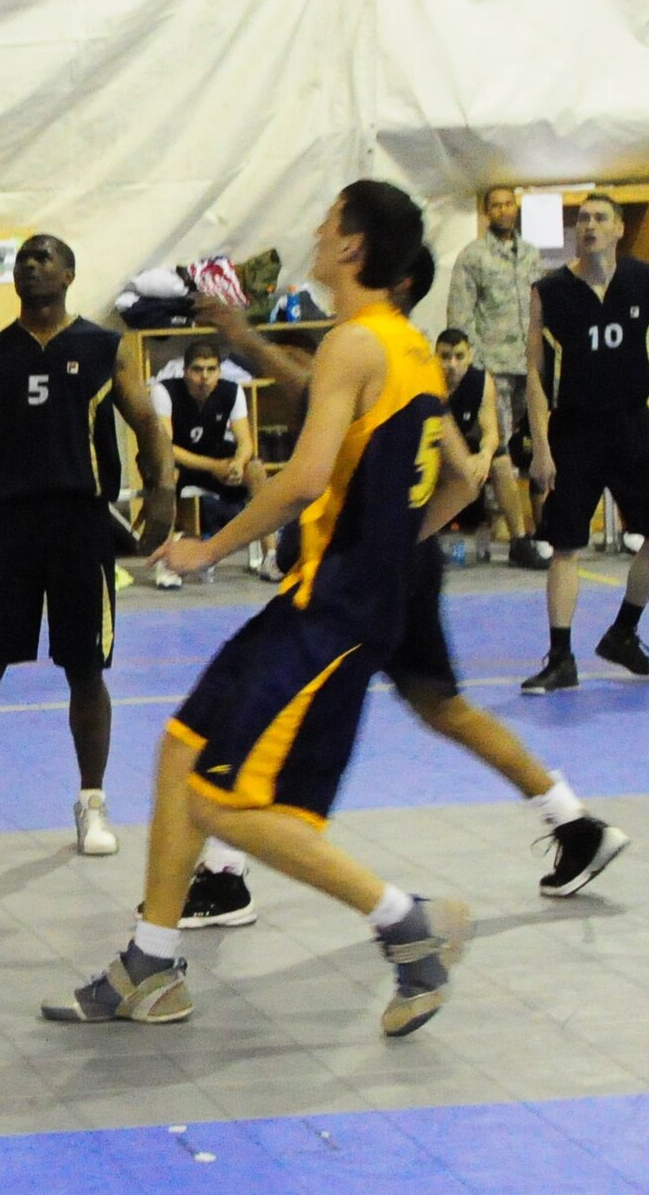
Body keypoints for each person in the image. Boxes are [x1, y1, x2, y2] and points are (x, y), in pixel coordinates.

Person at [43, 182, 484, 1037]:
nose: (316, 237)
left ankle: (406, 923)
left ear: (353, 248)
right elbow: (462, 480)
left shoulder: (357, 343)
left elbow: (305, 478)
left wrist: (208, 548)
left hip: (336, 613)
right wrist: (395, 542)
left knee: (219, 797)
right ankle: (151, 963)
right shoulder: (410, 350)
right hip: (335, 600)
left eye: (327, 227)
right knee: (183, 748)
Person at [177, 256, 629, 933]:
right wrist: (407, 534)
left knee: (277, 703)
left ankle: (226, 877)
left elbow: (315, 403)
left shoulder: (371, 346)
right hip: (403, 560)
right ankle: (574, 822)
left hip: (359, 574)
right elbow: (462, 475)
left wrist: (247, 343)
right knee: (442, 706)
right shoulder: (416, 357)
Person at [0, 235, 175, 870]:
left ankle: (92, 802)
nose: (30, 266)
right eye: (22, 259)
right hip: (6, 527)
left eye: (44, 257)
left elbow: (147, 423)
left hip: (81, 524)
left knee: (86, 669)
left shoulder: (103, 348)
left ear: (68, 273)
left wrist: (163, 488)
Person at [521, 194, 649, 693]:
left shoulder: (644, 278)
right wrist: (541, 447)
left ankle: (624, 634)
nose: (588, 226)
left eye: (599, 218)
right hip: (575, 428)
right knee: (566, 545)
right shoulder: (549, 291)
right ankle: (560, 656)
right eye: (582, 220)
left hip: (633, 423)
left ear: (618, 229)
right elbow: (534, 375)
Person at [446, 184, 547, 569]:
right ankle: (503, 529)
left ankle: (542, 527)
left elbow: (542, 307)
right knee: (498, 445)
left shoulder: (533, 256)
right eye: (496, 205)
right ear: (486, 212)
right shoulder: (473, 257)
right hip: (494, 367)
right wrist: (472, 369)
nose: (503, 210)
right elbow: (460, 316)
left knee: (537, 446)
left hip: (530, 365)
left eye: (509, 204)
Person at [150, 340, 267, 588]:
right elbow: (166, 447)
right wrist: (214, 466)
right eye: (197, 370)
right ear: (184, 371)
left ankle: (271, 556)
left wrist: (238, 463)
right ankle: (167, 562)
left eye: (211, 369)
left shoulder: (232, 391)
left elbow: (246, 442)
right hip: (179, 460)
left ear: (219, 371)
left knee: (255, 469)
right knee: (165, 470)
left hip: (214, 457)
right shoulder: (164, 391)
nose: (204, 377)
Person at [434, 328, 499, 553]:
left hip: (465, 450)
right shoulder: (424, 382)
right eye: (445, 357)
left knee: (502, 463)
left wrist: (485, 456)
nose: (452, 364)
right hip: (431, 452)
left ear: (470, 356)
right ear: (435, 357)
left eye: (459, 356)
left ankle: (520, 539)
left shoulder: (482, 382)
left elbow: (491, 432)